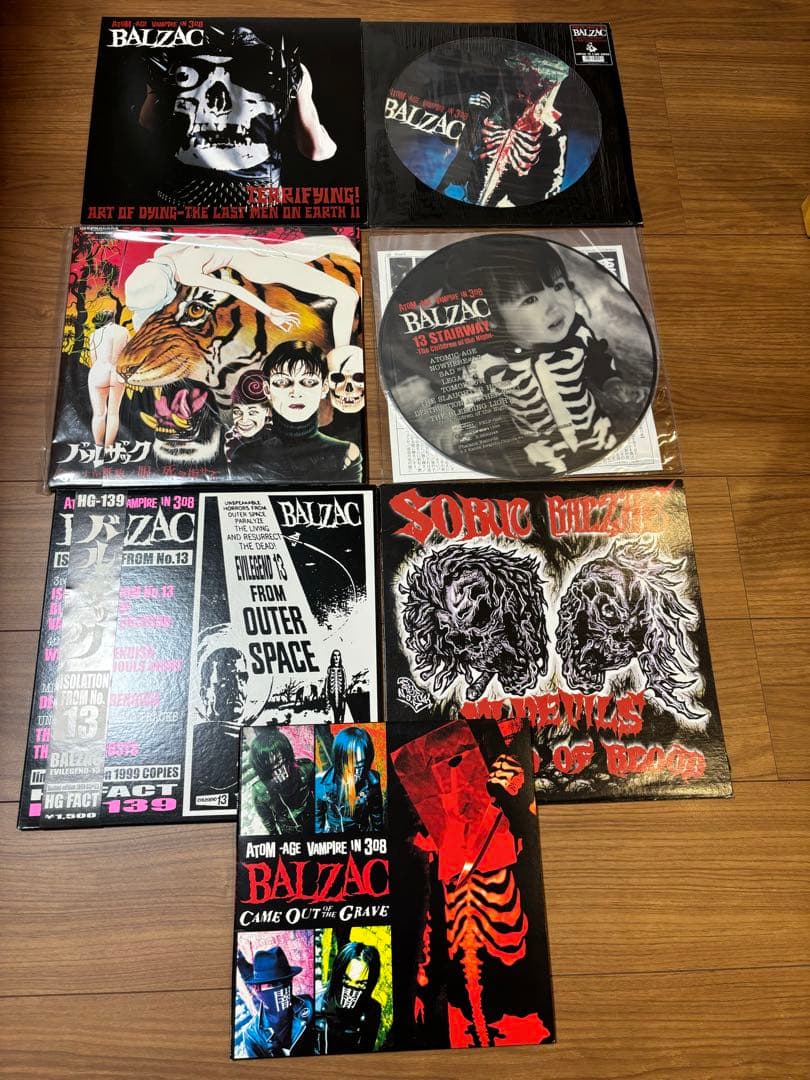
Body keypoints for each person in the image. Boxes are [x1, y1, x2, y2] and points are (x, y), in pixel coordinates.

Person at [465, 238, 621, 474]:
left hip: (596, 432)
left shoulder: (578, 331)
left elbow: (597, 358)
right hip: (541, 454)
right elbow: (470, 400)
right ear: (491, 318)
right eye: (530, 299)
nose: (555, 307)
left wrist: (612, 381)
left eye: (558, 286)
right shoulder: (484, 362)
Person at [230, 340, 361, 481]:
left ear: (324, 388)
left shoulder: (344, 454)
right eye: (282, 382)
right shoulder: (245, 456)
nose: (295, 393)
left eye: (308, 382)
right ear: (267, 389)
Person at [239, 946, 314, 1058]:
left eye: (284, 981)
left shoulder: (308, 1006)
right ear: (257, 989)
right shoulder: (252, 1035)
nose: (281, 987)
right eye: (272, 984)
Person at [314, 942, 382, 1054]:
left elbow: (366, 1050)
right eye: (346, 979)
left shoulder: (372, 1011)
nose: (351, 987)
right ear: (337, 974)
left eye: (361, 984)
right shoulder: (316, 1003)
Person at [315, 727, 383, 834]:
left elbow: (377, 815)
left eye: (360, 765)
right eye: (350, 764)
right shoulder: (321, 783)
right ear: (339, 761)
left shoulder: (372, 780)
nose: (355, 772)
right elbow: (317, 822)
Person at [247, 729, 314, 835]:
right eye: (270, 765)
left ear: (287, 756)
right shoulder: (260, 791)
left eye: (280, 760)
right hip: (289, 832)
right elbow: (268, 821)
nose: (278, 770)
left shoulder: (305, 769)